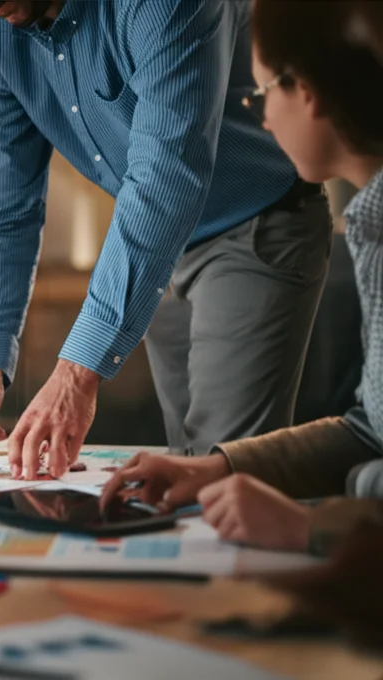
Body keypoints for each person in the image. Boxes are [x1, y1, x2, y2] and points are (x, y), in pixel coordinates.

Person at [0, 0, 334, 480]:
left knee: (220, 471)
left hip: (255, 223)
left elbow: (165, 175)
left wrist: (75, 371)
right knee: (188, 463)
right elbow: (5, 212)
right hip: (155, 248)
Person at [101, 0, 383, 556]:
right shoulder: (371, 227)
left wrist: (308, 529)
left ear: (305, 91)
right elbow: (370, 431)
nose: (262, 118)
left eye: (260, 95)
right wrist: (220, 467)